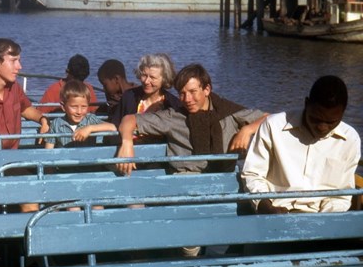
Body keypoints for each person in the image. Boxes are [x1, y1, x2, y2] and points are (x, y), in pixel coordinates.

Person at [117, 63, 267, 175]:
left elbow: (270, 118)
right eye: (182, 93)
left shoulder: (228, 112)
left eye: (193, 92)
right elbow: (129, 120)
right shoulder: (173, 116)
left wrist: (247, 130)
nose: (187, 99)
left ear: (207, 89)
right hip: (184, 181)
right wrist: (126, 142)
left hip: (223, 179)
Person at [242, 75, 361, 214]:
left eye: (331, 122)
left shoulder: (350, 139)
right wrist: (263, 204)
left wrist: (324, 220)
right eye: (315, 119)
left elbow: (341, 195)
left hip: (322, 217)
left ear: (342, 113)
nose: (322, 127)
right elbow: (253, 174)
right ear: (306, 103)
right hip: (273, 212)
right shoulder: (273, 126)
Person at [110, 53, 180, 129]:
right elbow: (115, 125)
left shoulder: (173, 104)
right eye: (144, 75)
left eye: (152, 77)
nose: (146, 81)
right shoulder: (129, 97)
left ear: (164, 79)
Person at [44, 79, 116, 149]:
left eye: (84, 107)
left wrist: (90, 128)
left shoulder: (90, 119)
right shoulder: (56, 124)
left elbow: (113, 127)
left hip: (88, 160)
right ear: (63, 106)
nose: (79, 112)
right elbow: (48, 151)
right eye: (74, 107)